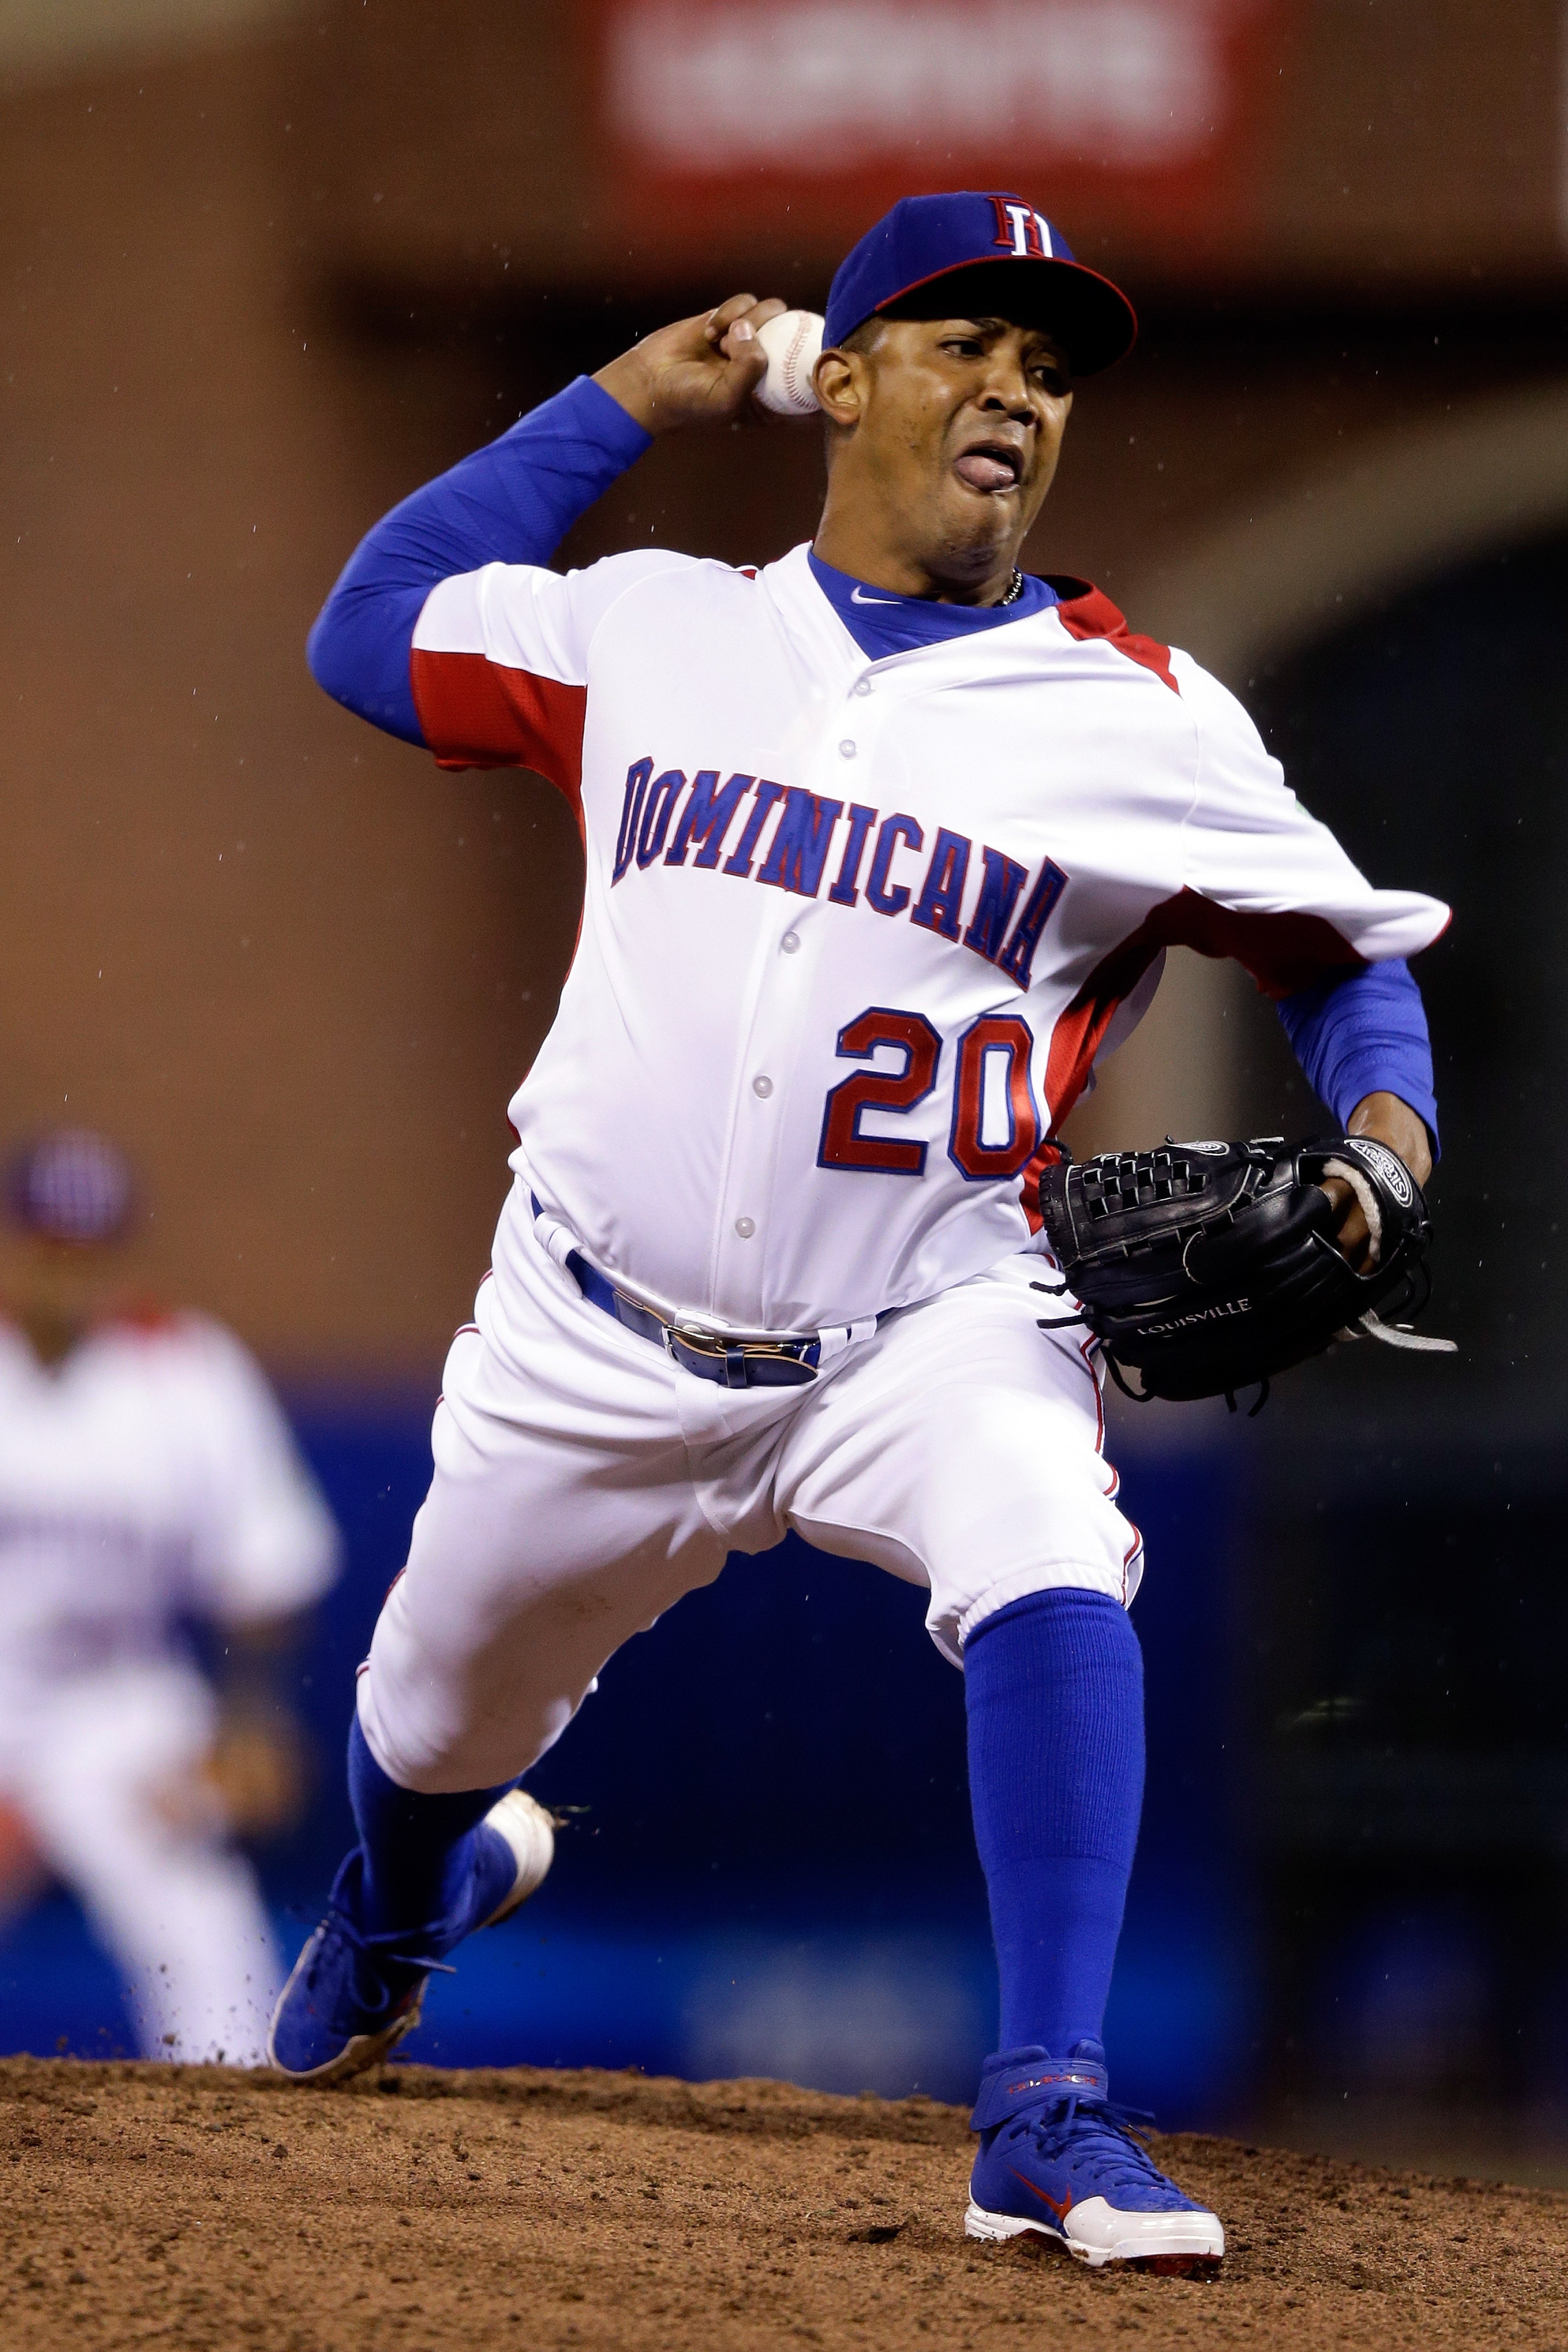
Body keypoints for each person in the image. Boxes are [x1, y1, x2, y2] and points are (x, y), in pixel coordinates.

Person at [275, 193, 1446, 2267]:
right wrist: (616, 402)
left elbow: (1343, 955)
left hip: (924, 1314)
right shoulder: (652, 627)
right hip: (587, 1322)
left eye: (1047, 369)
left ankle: (1046, 2110)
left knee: (1046, 1539)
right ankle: (399, 1908)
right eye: (961, 343)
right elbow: (365, 630)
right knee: (432, 1722)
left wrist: (1386, 1141)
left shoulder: (1141, 713)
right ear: (837, 379)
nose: (1015, 390)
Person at [0, 1128, 341, 2063]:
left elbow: (269, 1569)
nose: (68, 1270)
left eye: (90, 1248)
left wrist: (247, 1722)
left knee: (212, 1958)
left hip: (121, 1702)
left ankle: (238, 2136)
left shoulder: (187, 1370)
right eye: (48, 1244)